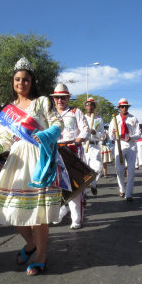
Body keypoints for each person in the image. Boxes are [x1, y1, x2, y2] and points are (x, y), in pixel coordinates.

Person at [0, 57, 64, 276]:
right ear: (13, 82)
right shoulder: (8, 111)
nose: (21, 83)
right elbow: (5, 141)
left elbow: (57, 124)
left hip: (40, 158)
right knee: (9, 208)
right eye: (17, 79)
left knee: (38, 212)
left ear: (32, 81)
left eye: (25, 79)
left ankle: (41, 255)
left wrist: (42, 135)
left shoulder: (42, 102)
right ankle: (31, 243)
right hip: (17, 160)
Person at [51, 83, 90, 229]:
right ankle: (61, 210)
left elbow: (85, 129)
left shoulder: (76, 112)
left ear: (68, 98)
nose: (60, 100)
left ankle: (77, 219)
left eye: (63, 97)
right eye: (57, 98)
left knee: (74, 186)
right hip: (55, 151)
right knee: (56, 185)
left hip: (72, 150)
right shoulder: (50, 113)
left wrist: (78, 141)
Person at [108, 98, 140, 202]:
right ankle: (122, 188)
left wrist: (132, 137)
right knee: (119, 170)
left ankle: (129, 194)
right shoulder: (114, 119)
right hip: (119, 143)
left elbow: (138, 133)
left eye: (126, 106)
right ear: (119, 108)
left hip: (131, 144)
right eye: (122, 107)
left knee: (131, 170)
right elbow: (110, 136)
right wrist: (113, 132)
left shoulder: (133, 118)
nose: (124, 108)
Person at [83, 97, 104, 196]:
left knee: (99, 167)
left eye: (92, 105)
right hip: (84, 146)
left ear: (94, 106)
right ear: (85, 106)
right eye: (88, 104)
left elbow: (102, 135)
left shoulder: (99, 119)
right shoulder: (82, 118)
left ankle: (93, 184)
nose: (90, 106)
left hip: (95, 145)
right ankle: (83, 192)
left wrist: (95, 133)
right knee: (83, 170)